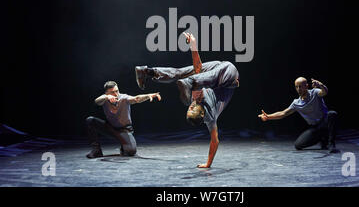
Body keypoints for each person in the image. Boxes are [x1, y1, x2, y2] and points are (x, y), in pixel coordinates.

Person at [135, 32, 239, 168]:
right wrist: (193, 46)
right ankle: (189, 82)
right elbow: (198, 69)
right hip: (228, 75)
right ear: (194, 108)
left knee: (180, 72)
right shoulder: (198, 98)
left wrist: (208, 164)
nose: (190, 105)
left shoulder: (210, 119)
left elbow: (215, 140)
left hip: (214, 71)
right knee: (202, 78)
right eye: (191, 107)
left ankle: (147, 72)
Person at [258, 77, 339, 153]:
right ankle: (322, 138)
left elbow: (325, 92)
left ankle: (331, 144)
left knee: (332, 114)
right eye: (296, 87)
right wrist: (268, 117)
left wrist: (320, 85)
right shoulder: (296, 103)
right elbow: (283, 113)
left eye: (300, 86)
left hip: (325, 122)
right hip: (315, 128)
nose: (298, 89)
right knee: (298, 145)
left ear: (306, 86)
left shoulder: (315, 92)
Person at [85, 81, 161, 158]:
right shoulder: (104, 99)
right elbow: (96, 101)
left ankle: (124, 146)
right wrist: (106, 97)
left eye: (117, 91)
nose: (115, 94)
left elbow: (136, 99)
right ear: (106, 93)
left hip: (124, 130)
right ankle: (96, 150)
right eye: (112, 92)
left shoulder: (124, 98)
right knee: (90, 120)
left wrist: (147, 96)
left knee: (131, 151)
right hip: (110, 128)